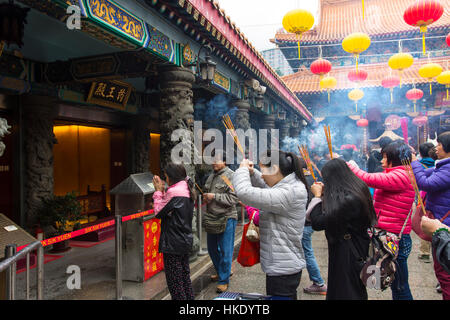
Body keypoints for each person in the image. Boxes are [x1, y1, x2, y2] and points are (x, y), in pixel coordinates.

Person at [233, 150, 308, 300]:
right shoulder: (289, 185)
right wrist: (251, 172)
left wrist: (241, 170)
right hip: (283, 266)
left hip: (283, 270)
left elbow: (244, 192)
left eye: (263, 170)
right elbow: (268, 189)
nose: (262, 175)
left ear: (275, 169)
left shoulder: (290, 192)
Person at [346, 140, 416, 300]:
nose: (382, 161)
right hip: (387, 233)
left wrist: (351, 165)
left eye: (386, 158)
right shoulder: (398, 173)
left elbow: (367, 178)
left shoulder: (402, 175)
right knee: (393, 280)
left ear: (396, 159)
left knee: (400, 285)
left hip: (395, 236)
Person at [308, 158, 377, 300]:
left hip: (348, 251)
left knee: (346, 289)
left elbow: (318, 222)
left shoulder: (350, 200)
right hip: (354, 246)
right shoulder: (357, 188)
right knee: (352, 286)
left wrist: (316, 196)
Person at [411, 131, 450, 300]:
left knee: (445, 272)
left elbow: (425, 183)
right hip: (440, 221)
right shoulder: (443, 165)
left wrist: (414, 163)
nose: (437, 148)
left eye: (440, 144)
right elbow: (428, 174)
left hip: (444, 225)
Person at [152, 163, 195, 300]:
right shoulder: (186, 188)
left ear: (171, 177)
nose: (165, 180)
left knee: (175, 284)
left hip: (173, 243)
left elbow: (158, 212)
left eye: (166, 177)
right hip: (184, 240)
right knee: (184, 279)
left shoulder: (173, 192)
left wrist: (158, 191)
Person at [203, 152, 239, 293]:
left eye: (217, 160)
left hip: (227, 217)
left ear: (225, 161)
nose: (213, 163)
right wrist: (207, 197)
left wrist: (214, 196)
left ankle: (224, 280)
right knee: (212, 249)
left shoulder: (230, 176)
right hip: (212, 217)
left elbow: (233, 199)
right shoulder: (212, 176)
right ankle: (221, 271)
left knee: (226, 250)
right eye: (212, 160)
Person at [299, 159, 327, 295]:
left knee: (307, 252)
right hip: (310, 221)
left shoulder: (302, 180)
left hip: (306, 222)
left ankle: (319, 282)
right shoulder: (312, 178)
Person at [417, 142, 436, 263]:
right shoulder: (437, 164)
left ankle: (424, 252)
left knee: (425, 221)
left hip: (423, 196)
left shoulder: (418, 166)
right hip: (436, 199)